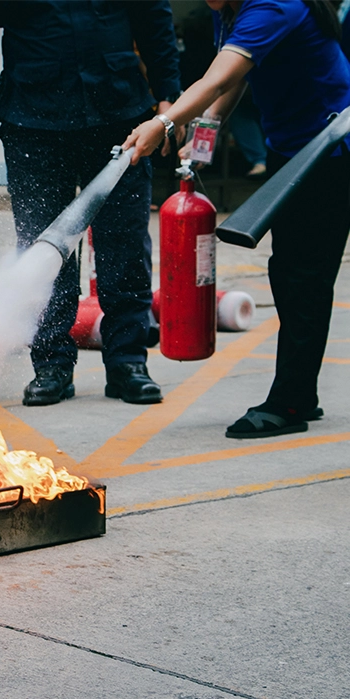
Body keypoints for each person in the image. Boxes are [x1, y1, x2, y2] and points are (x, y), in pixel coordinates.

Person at [123, 0, 350, 438]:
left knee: (303, 275)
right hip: (295, 147)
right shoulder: (228, 8)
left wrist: (164, 124)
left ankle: (290, 401)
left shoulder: (273, 5)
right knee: (291, 273)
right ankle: (301, 392)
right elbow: (234, 77)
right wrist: (204, 139)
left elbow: (218, 78)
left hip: (330, 147)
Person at [0, 0, 182, 406]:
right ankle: (52, 363)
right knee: (43, 250)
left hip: (119, 111)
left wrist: (168, 96)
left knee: (124, 245)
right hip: (33, 118)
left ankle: (127, 361)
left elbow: (153, 16)